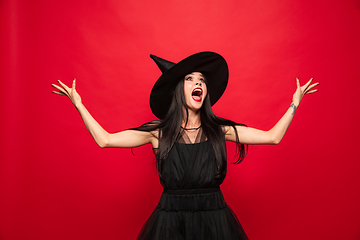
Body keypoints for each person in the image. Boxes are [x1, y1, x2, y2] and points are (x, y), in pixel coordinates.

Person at [52, 52, 318, 240]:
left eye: (201, 80)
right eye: (191, 79)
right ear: (179, 90)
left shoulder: (219, 130)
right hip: (170, 221)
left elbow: (272, 136)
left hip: (215, 219)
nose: (198, 83)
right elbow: (105, 140)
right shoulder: (158, 134)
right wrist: (79, 104)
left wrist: (295, 103)